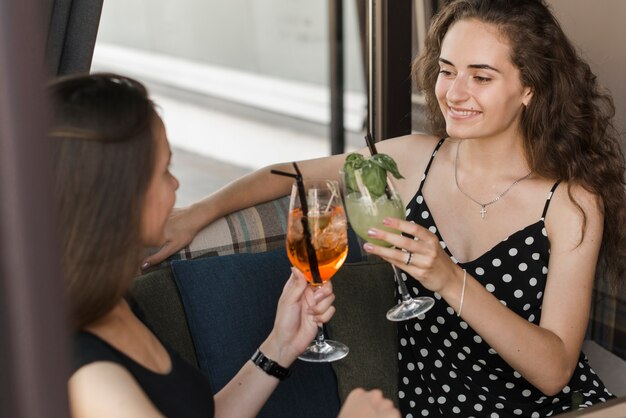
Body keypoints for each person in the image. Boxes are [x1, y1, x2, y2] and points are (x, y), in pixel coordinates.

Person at [143, 0, 626, 416]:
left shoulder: (569, 201)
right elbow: (287, 174)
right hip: (429, 406)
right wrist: (197, 213)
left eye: (481, 76)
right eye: (447, 70)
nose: (454, 93)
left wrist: (447, 279)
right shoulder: (415, 158)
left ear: (529, 89)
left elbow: (554, 372)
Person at [49, 73, 400, 418]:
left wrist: (279, 345)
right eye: (163, 170)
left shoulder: (112, 304)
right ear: (116, 196)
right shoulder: (92, 382)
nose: (175, 183)